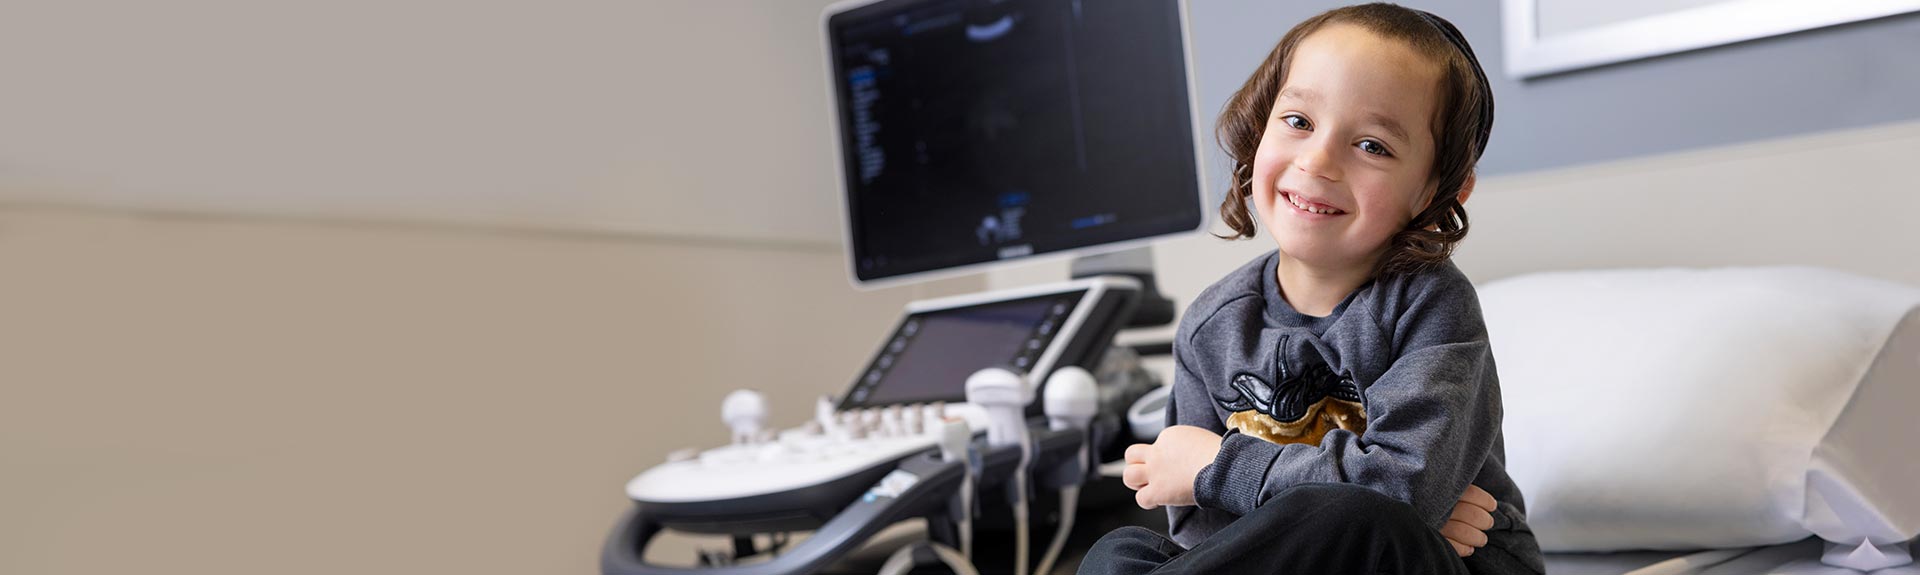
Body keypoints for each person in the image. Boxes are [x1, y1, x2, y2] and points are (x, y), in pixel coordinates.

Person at [1079, 4, 1544, 574]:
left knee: (1363, 517)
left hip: (1452, 561)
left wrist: (1219, 466)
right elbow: (1207, 539)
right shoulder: (1212, 326)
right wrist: (1360, 497)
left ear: (1436, 191)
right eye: (1299, 122)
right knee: (1121, 551)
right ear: (1259, 128)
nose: (1318, 160)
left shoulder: (1430, 306)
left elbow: (1402, 489)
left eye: (1372, 145)